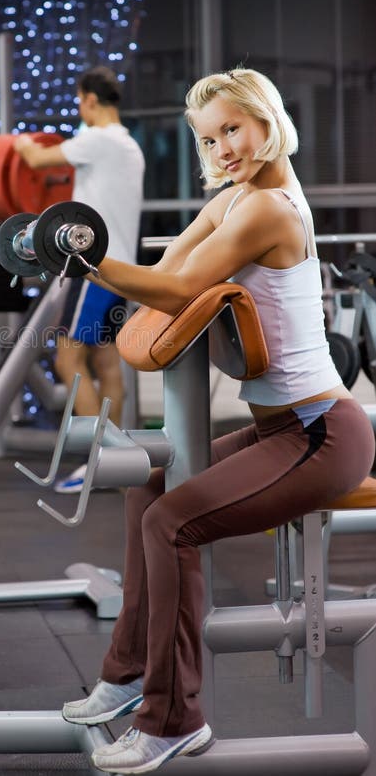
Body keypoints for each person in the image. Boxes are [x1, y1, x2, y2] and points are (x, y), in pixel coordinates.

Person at [60, 68, 376, 773]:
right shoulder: (234, 200)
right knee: (149, 482)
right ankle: (128, 672)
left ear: (266, 120)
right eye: (209, 138)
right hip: (280, 431)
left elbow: (176, 289)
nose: (223, 148)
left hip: (320, 432)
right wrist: (91, 259)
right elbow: (169, 264)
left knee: (169, 522)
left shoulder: (267, 209)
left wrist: (83, 260)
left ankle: (173, 719)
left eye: (233, 128)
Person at [14, 65, 144, 493]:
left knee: (67, 360)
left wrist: (14, 140)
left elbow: (35, 158)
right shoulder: (129, 146)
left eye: (78, 101)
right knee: (107, 364)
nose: (78, 108)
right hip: (120, 270)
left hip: (90, 269)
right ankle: (120, 463)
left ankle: (100, 461)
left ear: (89, 99)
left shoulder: (98, 140)